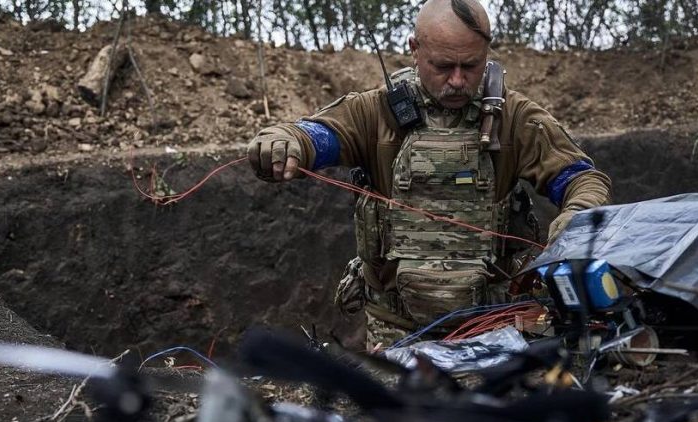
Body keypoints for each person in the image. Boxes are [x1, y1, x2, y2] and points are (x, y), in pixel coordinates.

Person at [248, 0, 612, 349]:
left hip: (494, 328)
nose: (457, 80)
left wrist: (579, 214)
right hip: (395, 332)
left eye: (470, 66)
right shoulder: (375, 113)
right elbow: (319, 136)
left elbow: (581, 177)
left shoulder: (515, 118)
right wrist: (284, 143)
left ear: (487, 52)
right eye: (443, 66)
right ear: (414, 49)